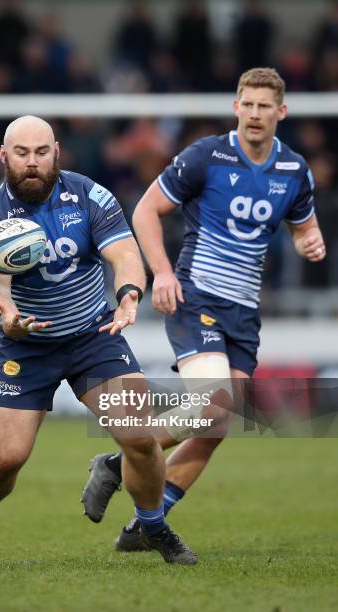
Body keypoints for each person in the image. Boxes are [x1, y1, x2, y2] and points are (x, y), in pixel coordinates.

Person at [0, 115, 196, 567]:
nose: (32, 163)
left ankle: (152, 526)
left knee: (140, 439)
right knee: (5, 460)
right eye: (21, 153)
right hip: (27, 346)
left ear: (56, 151)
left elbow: (125, 254)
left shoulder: (90, 196)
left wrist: (129, 294)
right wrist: (8, 322)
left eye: (40, 152)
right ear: (4, 157)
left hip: (93, 336)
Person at [81, 68, 326, 553]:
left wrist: (309, 240)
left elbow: (304, 228)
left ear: (282, 112)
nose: (255, 114)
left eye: (264, 106)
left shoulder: (294, 172)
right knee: (214, 403)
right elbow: (145, 210)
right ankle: (125, 467)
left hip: (244, 312)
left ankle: (137, 516)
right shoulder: (206, 156)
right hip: (197, 298)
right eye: (247, 104)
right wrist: (164, 273)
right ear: (236, 107)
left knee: (215, 426)